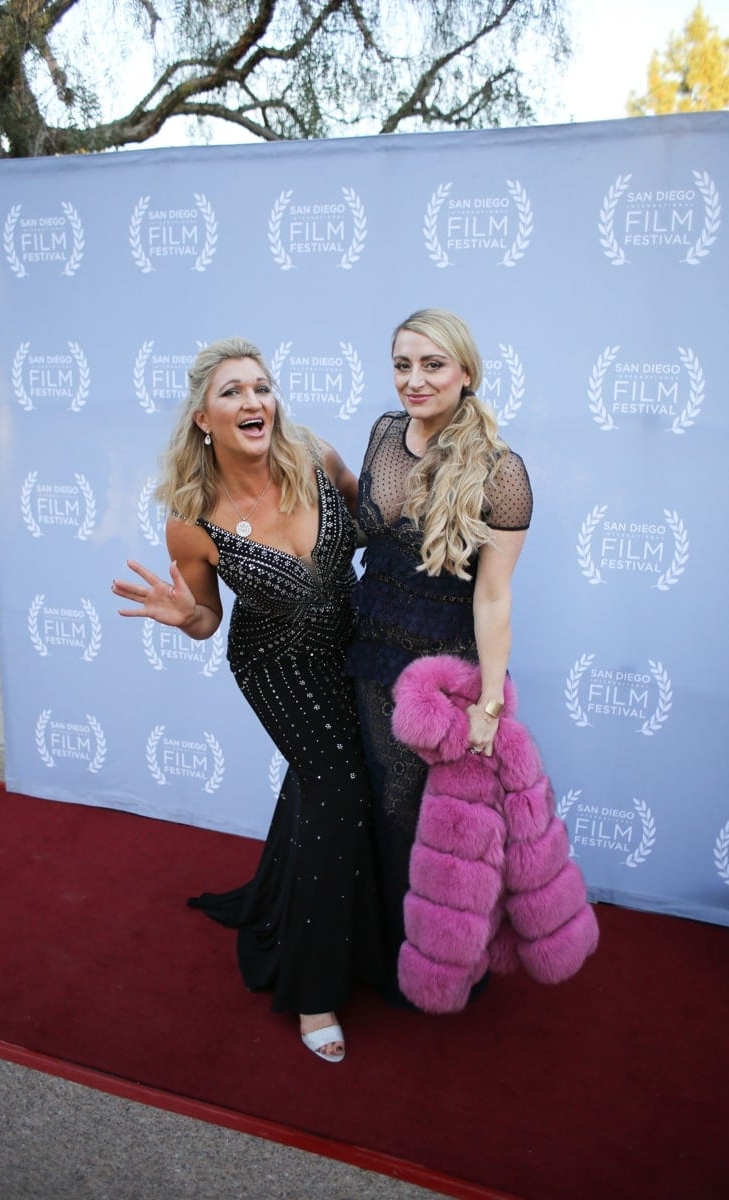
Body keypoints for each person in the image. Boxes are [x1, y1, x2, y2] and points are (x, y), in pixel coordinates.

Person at [112, 337, 383, 1062]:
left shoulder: (317, 459)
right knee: (339, 789)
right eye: (232, 391)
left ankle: (296, 906)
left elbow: (379, 532)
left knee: (353, 785)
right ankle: (314, 987)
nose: (253, 401)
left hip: (353, 645)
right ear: (204, 417)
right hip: (277, 665)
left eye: (261, 387)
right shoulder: (192, 519)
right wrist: (185, 615)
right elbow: (207, 621)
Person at [346, 308, 533, 1007]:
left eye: (431, 365)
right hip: (370, 656)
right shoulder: (384, 433)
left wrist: (488, 701)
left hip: (443, 679)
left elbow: (493, 600)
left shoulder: (501, 473)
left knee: (441, 828)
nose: (414, 380)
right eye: (402, 365)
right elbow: (362, 523)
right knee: (384, 814)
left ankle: (447, 968)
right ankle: (386, 956)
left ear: (465, 373)